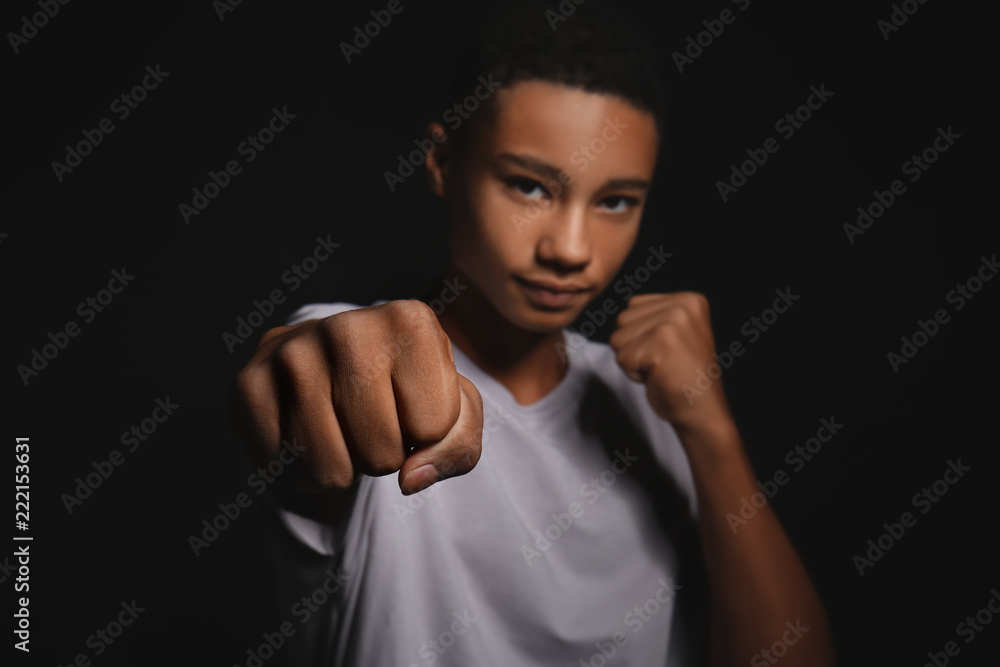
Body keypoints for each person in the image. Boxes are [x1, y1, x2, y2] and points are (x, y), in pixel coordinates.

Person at [230, 2, 835, 665]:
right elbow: (312, 369)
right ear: (441, 162)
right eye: (530, 186)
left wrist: (711, 430)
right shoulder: (368, 362)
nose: (572, 249)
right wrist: (300, 365)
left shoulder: (650, 400)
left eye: (614, 201)